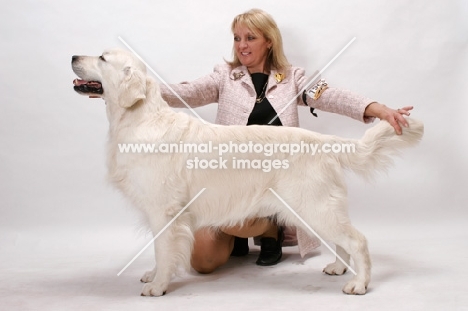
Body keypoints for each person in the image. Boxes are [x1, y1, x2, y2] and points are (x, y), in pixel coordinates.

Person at [159, 8, 412, 273]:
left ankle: (270, 229)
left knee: (236, 220)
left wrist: (378, 109)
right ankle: (240, 236)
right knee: (202, 262)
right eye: (237, 38)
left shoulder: (293, 78)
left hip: (278, 182)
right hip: (231, 180)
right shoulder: (224, 76)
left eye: (250, 37)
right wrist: (139, 87)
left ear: (269, 40)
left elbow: (331, 95)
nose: (242, 45)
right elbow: (186, 92)